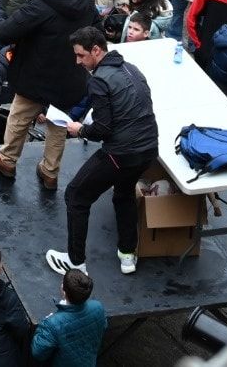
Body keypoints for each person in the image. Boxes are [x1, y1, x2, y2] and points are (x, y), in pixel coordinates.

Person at [45, 26, 159, 278]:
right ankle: (127, 254)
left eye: (81, 55)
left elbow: (103, 129)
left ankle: (75, 262)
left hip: (120, 153)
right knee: (124, 193)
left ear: (96, 50)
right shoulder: (133, 69)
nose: (78, 61)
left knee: (76, 196)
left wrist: (79, 130)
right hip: (148, 149)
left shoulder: (99, 80)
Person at [0, 0, 94, 191]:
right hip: (70, 72)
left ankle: (7, 159)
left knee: (20, 114)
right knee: (59, 122)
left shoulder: (41, 4)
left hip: (36, 72)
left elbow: (6, 30)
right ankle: (50, 172)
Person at [31, 269, 105, 367]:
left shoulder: (53, 323)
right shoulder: (98, 307)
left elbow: (38, 352)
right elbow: (102, 326)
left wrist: (44, 323)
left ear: (63, 289)